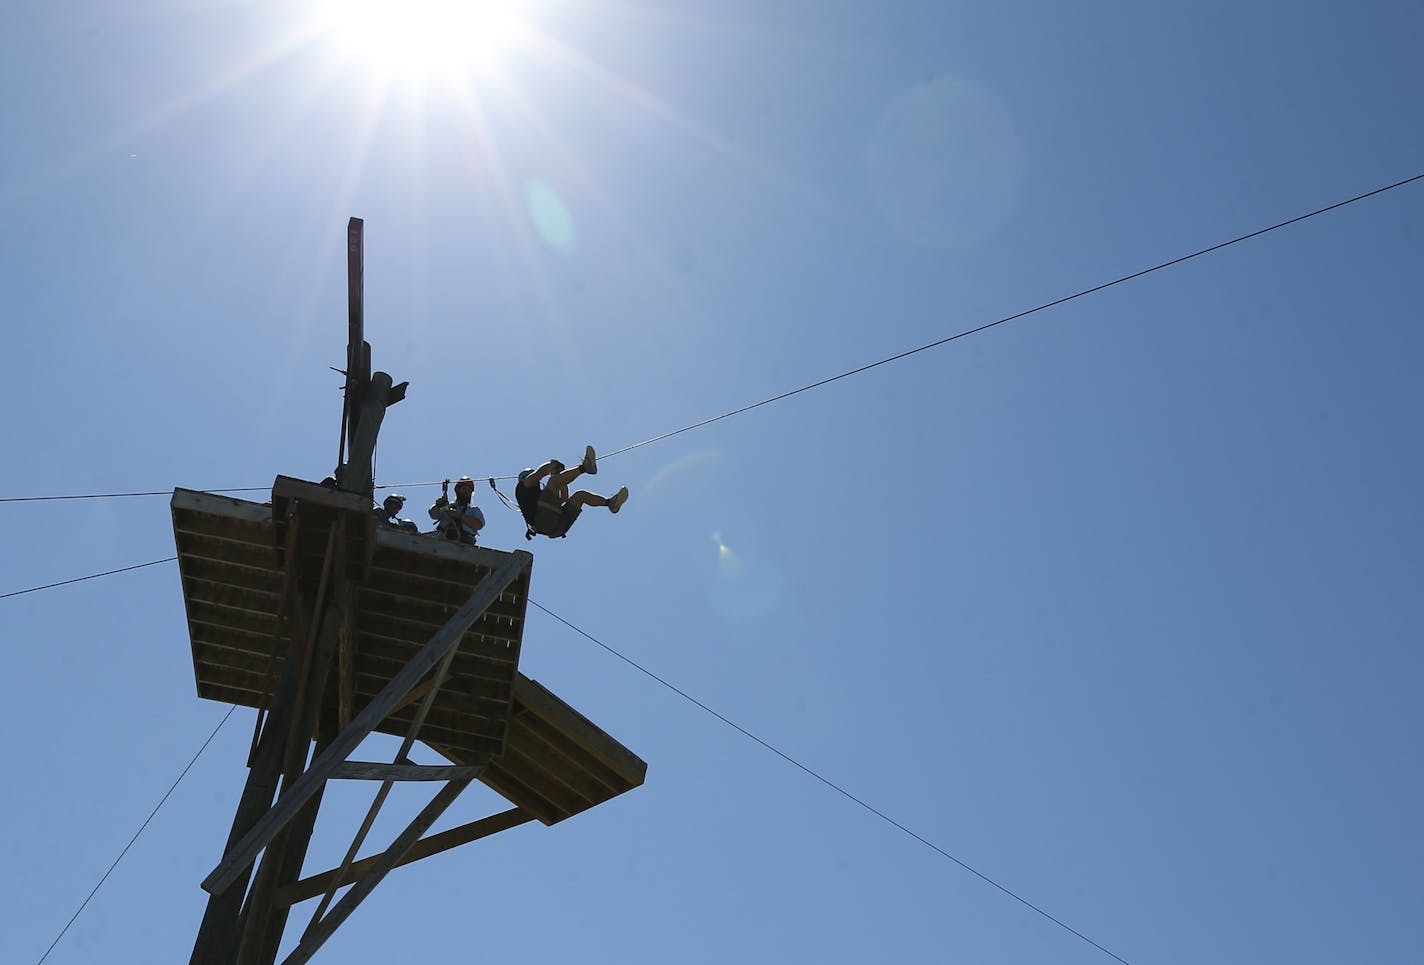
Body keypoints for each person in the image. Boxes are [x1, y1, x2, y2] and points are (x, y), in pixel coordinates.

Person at [516, 445, 628, 540]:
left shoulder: (541, 498)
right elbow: (540, 473)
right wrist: (553, 467)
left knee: (580, 495)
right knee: (554, 481)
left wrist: (561, 478)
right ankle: (585, 468)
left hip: (557, 528)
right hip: (542, 521)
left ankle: (610, 503)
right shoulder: (522, 488)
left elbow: (564, 499)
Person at [429, 476, 486, 545]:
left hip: (464, 542)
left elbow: (478, 525)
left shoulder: (474, 510)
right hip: (442, 539)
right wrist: (437, 505)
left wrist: (459, 515)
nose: (466, 492)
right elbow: (433, 515)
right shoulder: (447, 506)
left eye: (469, 490)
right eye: (464, 489)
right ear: (457, 490)